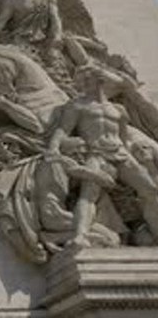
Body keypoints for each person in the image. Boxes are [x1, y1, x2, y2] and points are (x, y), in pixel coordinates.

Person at [47, 66, 158, 247]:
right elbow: (63, 130)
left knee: (150, 189)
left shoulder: (118, 109)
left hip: (121, 154)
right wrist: (53, 148)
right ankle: (80, 235)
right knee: (89, 195)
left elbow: (123, 137)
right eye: (83, 81)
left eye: (88, 79)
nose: (84, 84)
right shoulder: (77, 106)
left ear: (100, 80)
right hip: (97, 153)